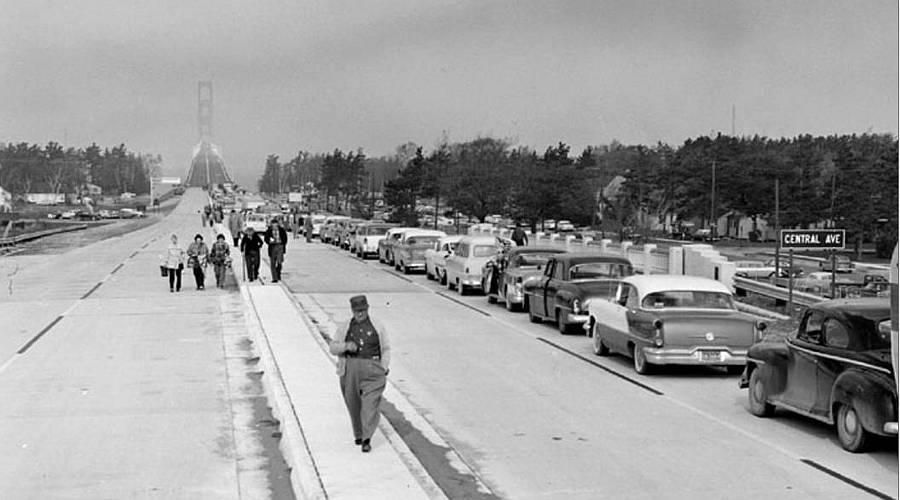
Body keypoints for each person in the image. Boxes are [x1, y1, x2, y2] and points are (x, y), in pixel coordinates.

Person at [328, 295, 391, 453]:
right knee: (353, 402)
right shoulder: (345, 327)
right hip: (351, 369)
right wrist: (346, 346)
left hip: (373, 370)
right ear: (352, 311)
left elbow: (386, 348)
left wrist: (383, 367)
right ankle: (358, 434)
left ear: (367, 309)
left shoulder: (378, 326)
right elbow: (333, 347)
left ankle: (367, 438)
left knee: (370, 404)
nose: (360, 314)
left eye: (362, 310)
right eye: (357, 311)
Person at [264, 217, 288, 283]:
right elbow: (266, 239)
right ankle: (274, 278)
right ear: (271, 224)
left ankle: (278, 272)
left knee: (279, 262)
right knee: (272, 263)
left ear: (277, 224)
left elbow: (285, 238)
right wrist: (269, 241)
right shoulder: (269, 231)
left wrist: (283, 244)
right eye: (273, 224)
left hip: (280, 246)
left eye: (275, 224)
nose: (274, 225)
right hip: (272, 247)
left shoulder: (281, 230)